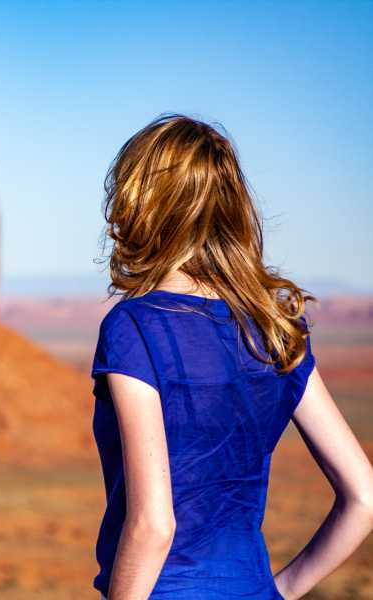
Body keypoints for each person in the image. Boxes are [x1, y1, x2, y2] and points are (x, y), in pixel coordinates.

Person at [90, 113, 373, 599]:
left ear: (141, 202)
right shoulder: (275, 330)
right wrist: (277, 591)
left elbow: (155, 524)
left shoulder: (134, 328)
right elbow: (365, 498)